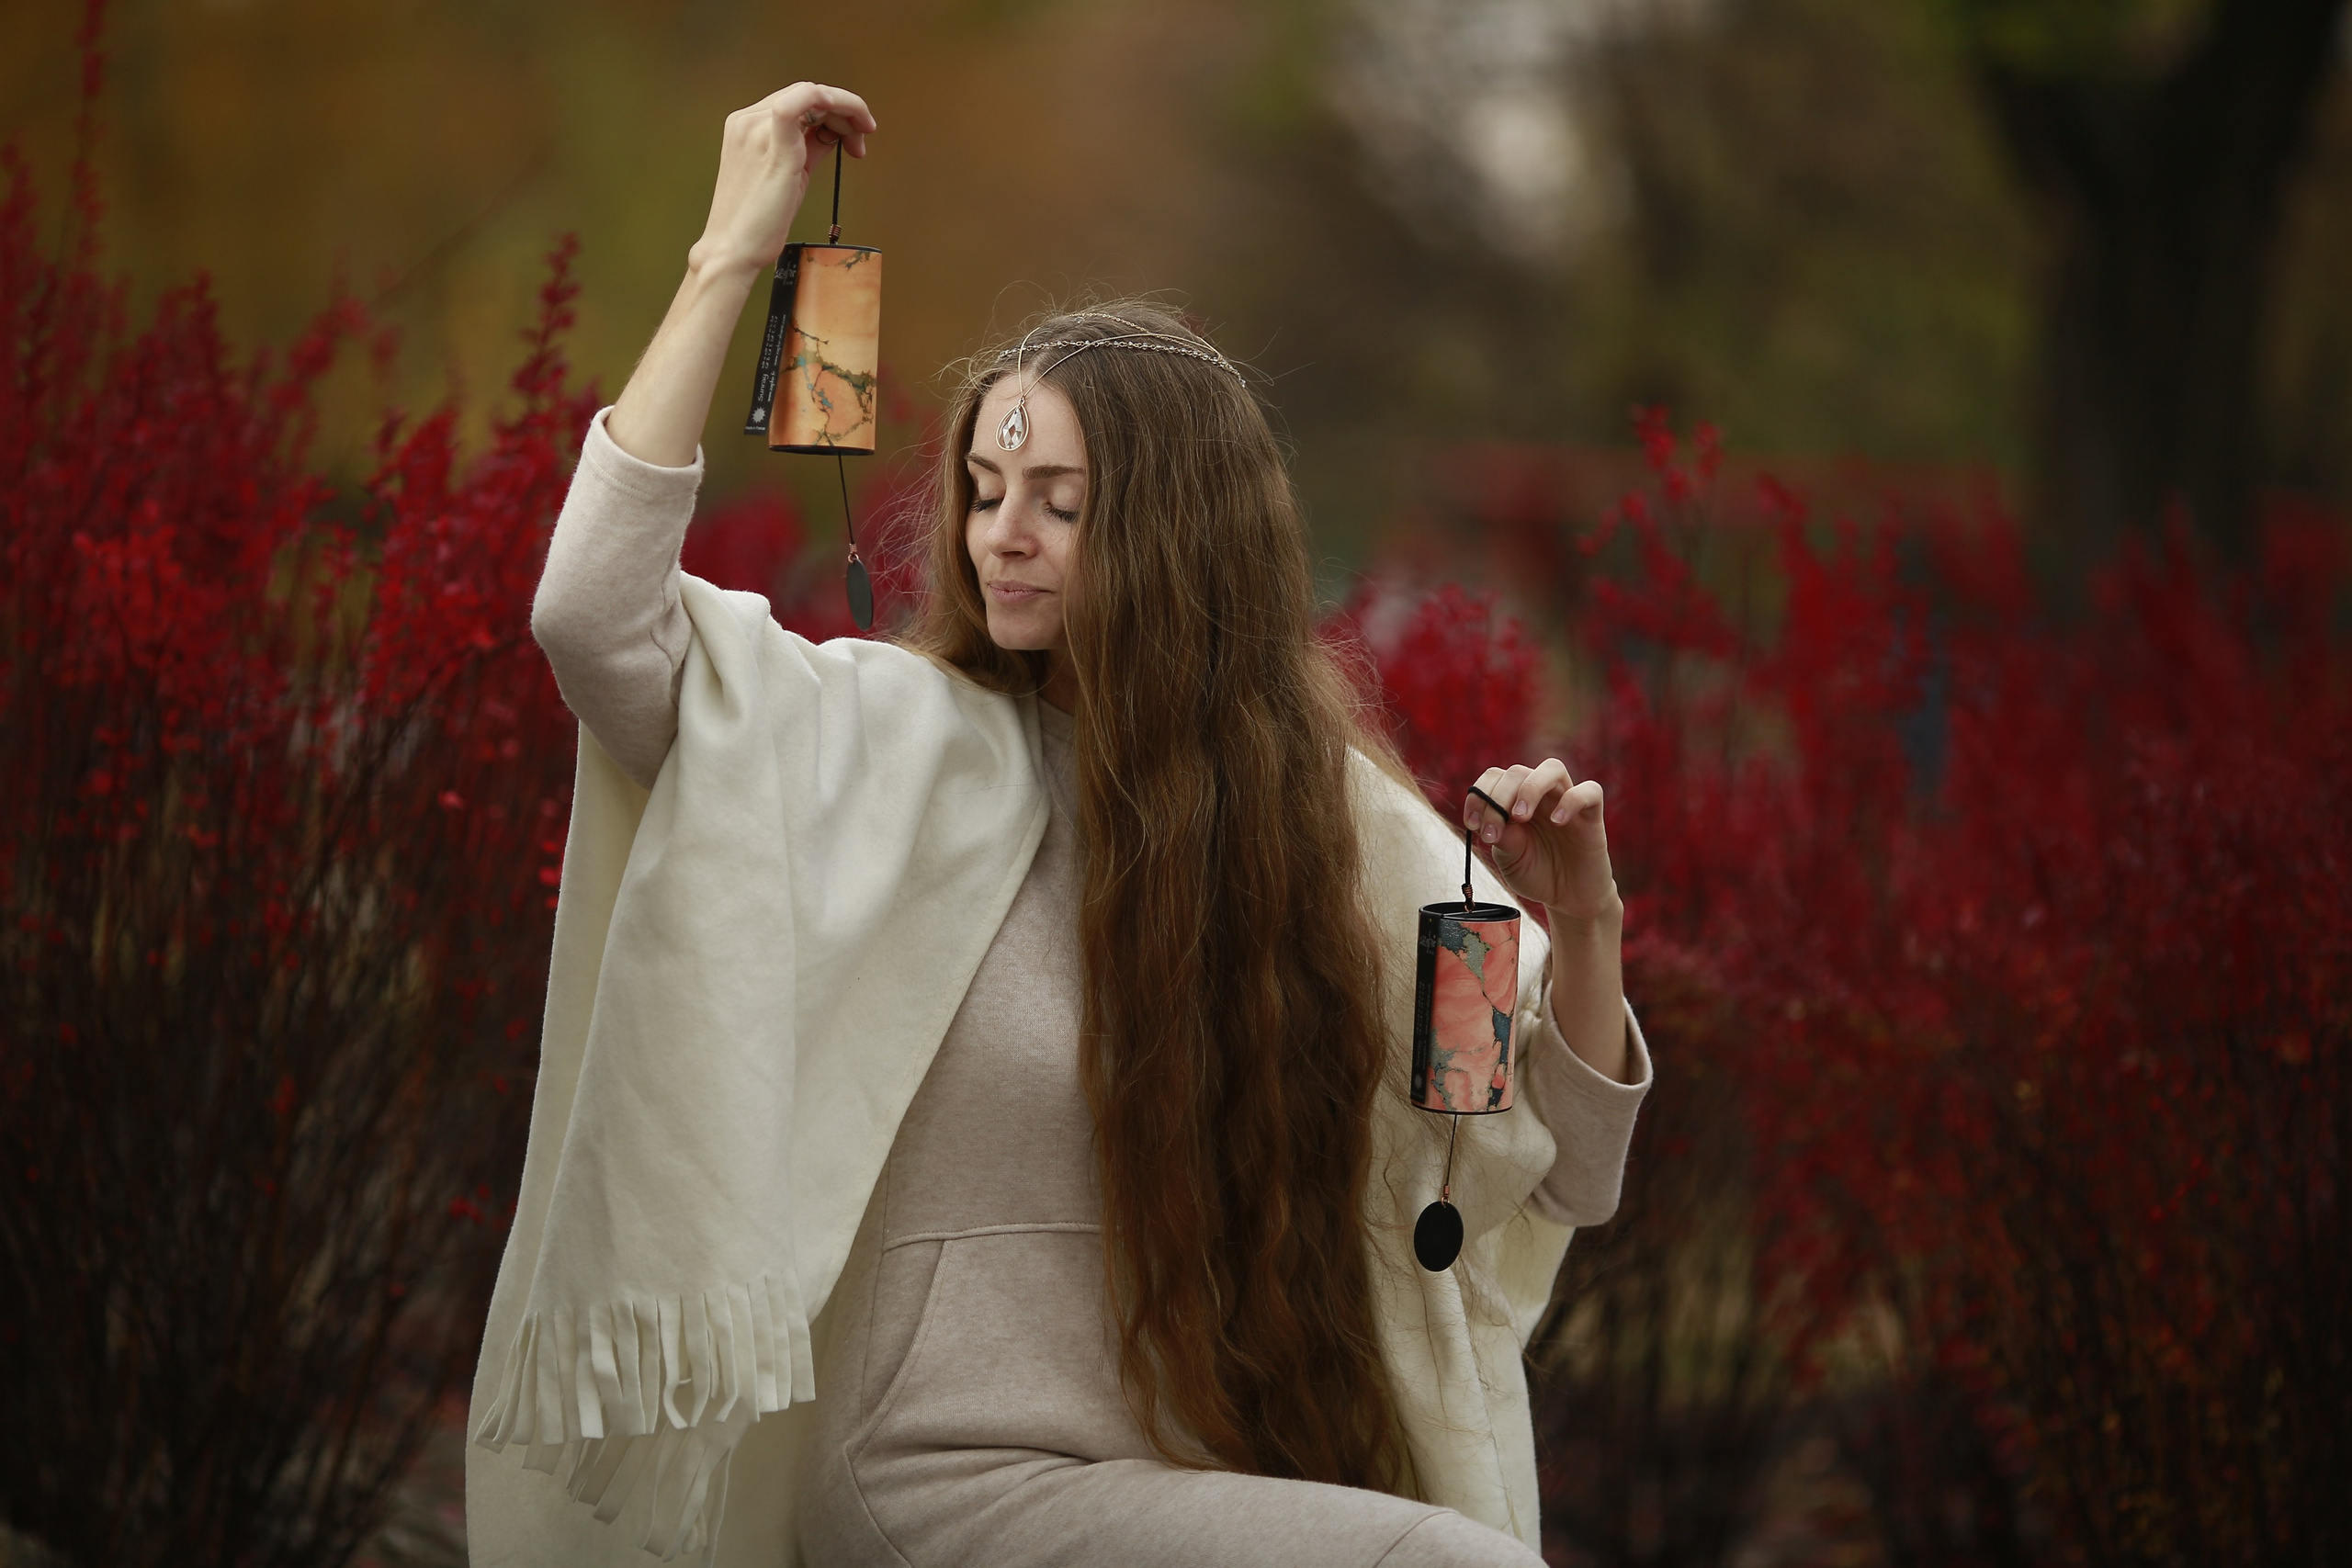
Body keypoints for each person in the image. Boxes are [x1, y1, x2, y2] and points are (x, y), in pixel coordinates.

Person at [465, 82, 1653, 1568]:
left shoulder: (1327, 820)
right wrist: (729, 254)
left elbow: (1531, 1166)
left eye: (1058, 500)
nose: (997, 534)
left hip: (1197, 1461)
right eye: (981, 489)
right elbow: (590, 619)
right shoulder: (894, 751)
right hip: (933, 1473)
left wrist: (1584, 923)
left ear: (1174, 531)